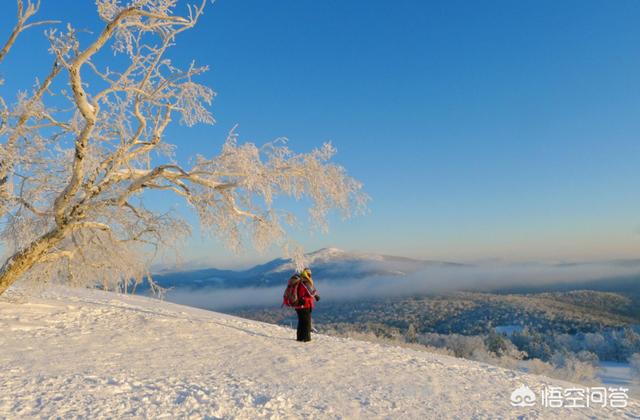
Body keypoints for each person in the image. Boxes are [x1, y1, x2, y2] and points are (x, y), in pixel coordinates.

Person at [295, 267, 320, 342]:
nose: (310, 275)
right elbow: (311, 292)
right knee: (306, 323)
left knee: (301, 322)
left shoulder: (299, 281)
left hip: (298, 305)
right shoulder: (305, 281)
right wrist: (316, 295)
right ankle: (306, 339)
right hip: (305, 305)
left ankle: (300, 338)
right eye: (310, 274)